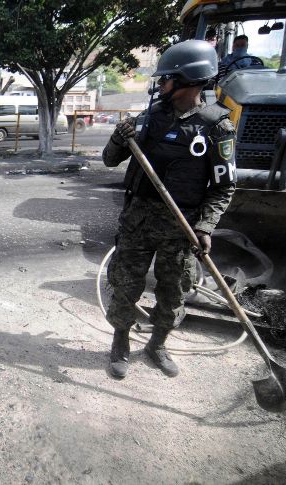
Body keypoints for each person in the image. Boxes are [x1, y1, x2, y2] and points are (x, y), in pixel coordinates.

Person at [102, 39, 237, 379]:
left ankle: (157, 344)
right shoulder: (148, 119)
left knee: (174, 291)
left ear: (188, 82)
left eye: (166, 79)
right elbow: (109, 159)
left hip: (182, 227)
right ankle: (120, 342)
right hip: (138, 219)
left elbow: (223, 187)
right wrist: (119, 138)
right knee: (125, 284)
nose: (160, 85)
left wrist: (205, 227)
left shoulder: (216, 126)